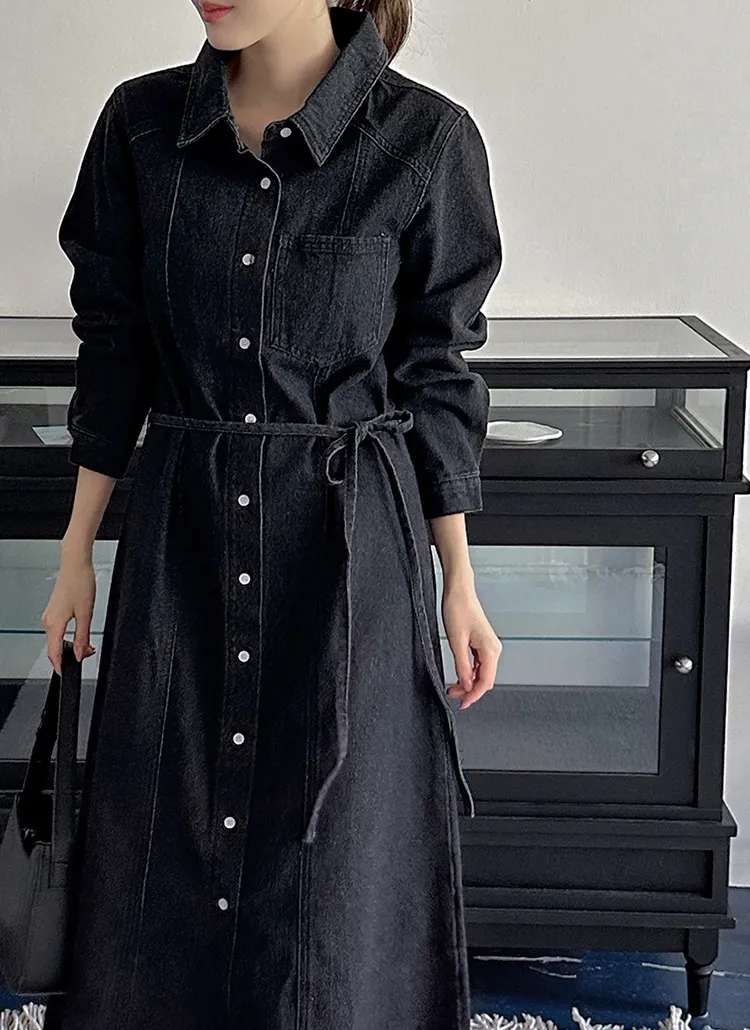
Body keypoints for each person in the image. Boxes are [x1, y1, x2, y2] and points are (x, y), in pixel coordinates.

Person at [40, 0, 504, 1027]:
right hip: (182, 543)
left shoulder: (425, 140)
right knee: (162, 829)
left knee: (333, 852)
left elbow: (435, 374)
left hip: (348, 554)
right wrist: (76, 550)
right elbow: (113, 348)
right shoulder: (139, 127)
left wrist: (459, 581)